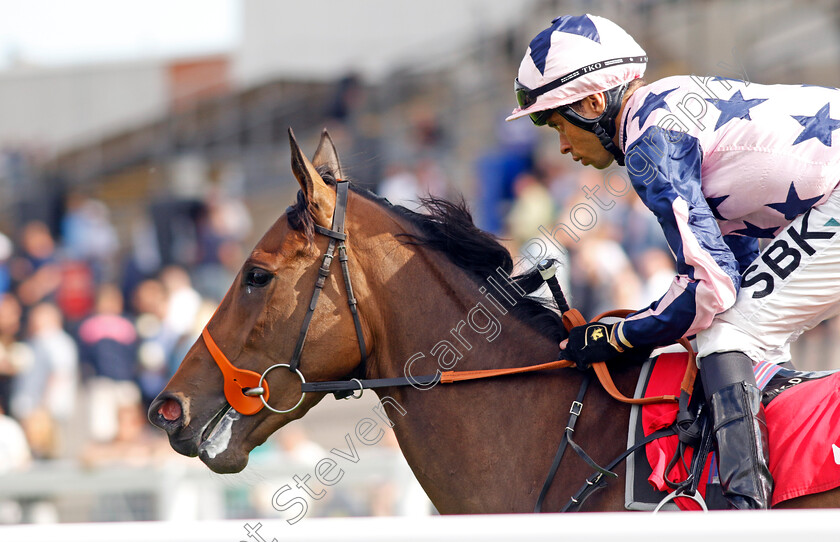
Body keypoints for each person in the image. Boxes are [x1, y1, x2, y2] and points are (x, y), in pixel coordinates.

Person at [507, 13, 840, 509]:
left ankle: (747, 511)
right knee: (731, 325)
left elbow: (712, 284)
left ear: (595, 103)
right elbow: (733, 262)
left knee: (729, 333)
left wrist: (617, 334)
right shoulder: (662, 109)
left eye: (558, 123)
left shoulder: (649, 143)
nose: (561, 145)